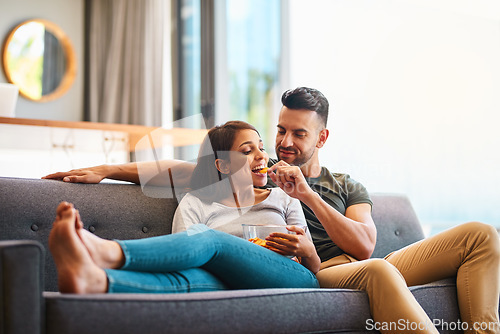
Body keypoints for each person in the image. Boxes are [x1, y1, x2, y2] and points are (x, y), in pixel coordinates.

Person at [44, 88, 500, 334]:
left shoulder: (341, 185)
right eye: (279, 130)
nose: (283, 143)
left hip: (347, 262)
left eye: (297, 135)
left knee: (482, 236)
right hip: (318, 271)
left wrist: (307, 196)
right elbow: (183, 168)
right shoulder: (258, 172)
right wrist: (103, 168)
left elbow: (364, 246)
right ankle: (101, 264)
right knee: (378, 272)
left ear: (321, 138)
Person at [49, 121, 320, 294]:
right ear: (222, 166)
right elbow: (186, 260)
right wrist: (105, 170)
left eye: (261, 148)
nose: (262, 155)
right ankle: (97, 282)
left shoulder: (283, 198)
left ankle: (105, 250)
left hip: (292, 277)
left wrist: (306, 250)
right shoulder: (196, 202)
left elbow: (315, 269)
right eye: (247, 151)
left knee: (211, 238)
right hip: (229, 283)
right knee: (188, 279)